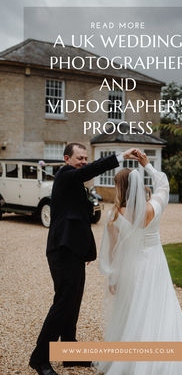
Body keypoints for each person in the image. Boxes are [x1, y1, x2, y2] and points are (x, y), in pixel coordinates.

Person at [29, 142, 141, 375]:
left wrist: (87, 251)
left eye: (85, 158)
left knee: (73, 302)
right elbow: (88, 173)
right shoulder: (66, 175)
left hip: (73, 250)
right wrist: (121, 156)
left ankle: (69, 355)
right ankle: (39, 358)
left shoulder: (75, 182)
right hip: (62, 250)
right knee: (63, 304)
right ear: (67, 159)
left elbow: (78, 219)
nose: (84, 162)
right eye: (79, 158)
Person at [97, 151, 182, 375]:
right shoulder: (154, 208)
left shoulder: (115, 218)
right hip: (156, 262)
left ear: (120, 188)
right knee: (161, 306)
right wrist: (147, 165)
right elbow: (163, 185)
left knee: (134, 309)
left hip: (134, 267)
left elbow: (112, 253)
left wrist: (112, 278)